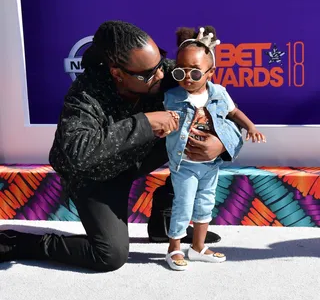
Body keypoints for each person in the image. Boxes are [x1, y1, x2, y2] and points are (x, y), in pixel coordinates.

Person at [0, 21, 228, 272]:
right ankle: (18, 243)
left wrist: (220, 142)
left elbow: (222, 105)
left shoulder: (162, 73)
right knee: (109, 256)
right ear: (118, 73)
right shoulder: (85, 94)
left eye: (161, 63)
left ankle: (165, 219)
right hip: (96, 176)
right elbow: (78, 153)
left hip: (138, 157)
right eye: (150, 73)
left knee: (191, 132)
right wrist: (146, 122)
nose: (162, 75)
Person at [164, 26, 266, 271]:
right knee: (183, 204)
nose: (187, 77)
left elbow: (233, 112)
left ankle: (198, 247)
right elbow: (163, 120)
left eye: (196, 73)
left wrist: (250, 126)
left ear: (210, 73)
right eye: (181, 71)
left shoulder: (219, 93)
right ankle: (174, 248)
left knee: (206, 203)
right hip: (184, 164)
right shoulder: (171, 95)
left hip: (211, 164)